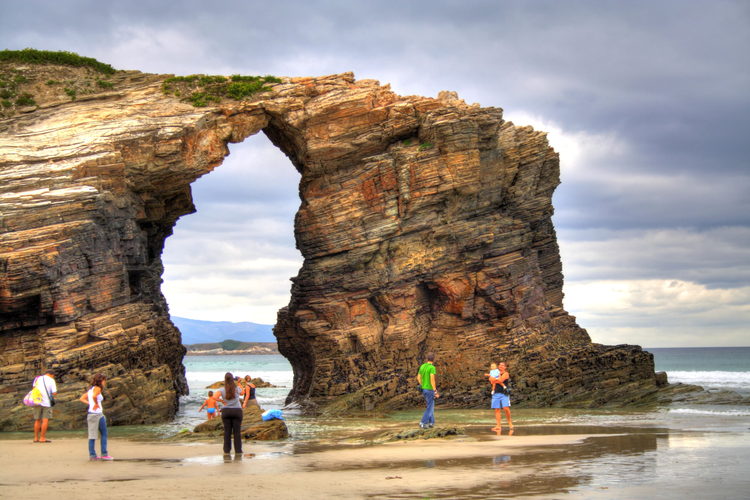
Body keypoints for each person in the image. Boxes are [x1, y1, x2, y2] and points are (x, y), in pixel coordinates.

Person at [79, 373, 113, 460]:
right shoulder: (98, 388)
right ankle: (104, 454)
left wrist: (91, 404)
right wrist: (96, 404)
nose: (105, 382)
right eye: (104, 380)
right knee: (103, 434)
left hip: (92, 414)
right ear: (101, 381)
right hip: (97, 414)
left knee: (92, 435)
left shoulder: (91, 389)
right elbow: (94, 396)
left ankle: (92, 455)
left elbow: (82, 398)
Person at [213, 372, 243, 455]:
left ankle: (227, 450)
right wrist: (239, 383)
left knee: (227, 432)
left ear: (225, 379)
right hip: (237, 410)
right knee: (237, 432)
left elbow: (214, 397)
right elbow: (243, 392)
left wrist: (222, 401)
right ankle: (238, 450)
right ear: (233, 379)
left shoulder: (222, 389)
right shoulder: (236, 388)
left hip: (226, 411)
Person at [31, 370, 57, 443]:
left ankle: (36, 438)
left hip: (37, 401)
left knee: (37, 420)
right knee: (45, 420)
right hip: (47, 403)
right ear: (52, 375)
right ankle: (42, 438)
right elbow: (54, 393)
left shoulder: (37, 378)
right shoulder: (51, 380)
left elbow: (34, 389)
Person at [416, 352, 439, 429]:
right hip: (430, 390)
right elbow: (432, 380)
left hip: (424, 389)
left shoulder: (422, 366)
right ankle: (423, 422)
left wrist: (422, 385)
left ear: (427, 359)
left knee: (430, 405)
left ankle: (431, 422)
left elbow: (418, 378)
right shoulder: (432, 368)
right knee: (430, 407)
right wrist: (435, 390)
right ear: (433, 359)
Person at [490, 362, 513, 432]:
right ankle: (498, 426)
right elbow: (491, 381)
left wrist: (495, 379)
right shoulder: (495, 372)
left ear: (505, 367)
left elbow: (500, 380)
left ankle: (510, 423)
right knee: (497, 409)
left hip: (504, 393)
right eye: (500, 365)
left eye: (503, 365)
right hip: (496, 393)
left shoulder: (506, 374)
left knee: (506, 408)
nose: (501, 366)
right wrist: (494, 380)